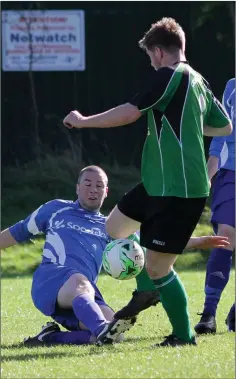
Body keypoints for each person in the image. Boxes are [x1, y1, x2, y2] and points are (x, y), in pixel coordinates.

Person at [63, 17, 232, 347]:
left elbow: (129, 112)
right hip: (157, 183)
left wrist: (83, 122)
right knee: (113, 229)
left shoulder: (171, 76)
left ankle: (183, 336)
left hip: (180, 192)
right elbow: (224, 125)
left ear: (158, 52)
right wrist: (189, 126)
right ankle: (146, 290)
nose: (151, 63)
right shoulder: (199, 81)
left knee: (158, 268)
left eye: (150, 56)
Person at [1, 166, 229, 347]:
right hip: (51, 280)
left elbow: (152, 244)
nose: (93, 189)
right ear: (77, 188)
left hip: (84, 293)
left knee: (115, 332)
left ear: (106, 191)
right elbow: (18, 231)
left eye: (99, 185)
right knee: (83, 288)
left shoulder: (112, 227)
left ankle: (49, 338)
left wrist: (197, 242)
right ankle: (101, 330)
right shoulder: (55, 209)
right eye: (88, 184)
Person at [195, 78, 235, 334]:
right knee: (225, 237)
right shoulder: (232, 86)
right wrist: (208, 174)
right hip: (232, 172)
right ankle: (209, 312)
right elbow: (221, 132)